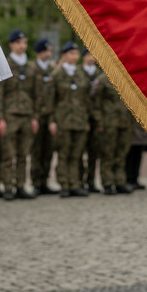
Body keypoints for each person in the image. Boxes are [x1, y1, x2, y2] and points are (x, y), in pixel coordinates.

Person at [0, 29, 38, 200]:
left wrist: (35, 116)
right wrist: (0, 118)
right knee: (8, 154)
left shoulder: (31, 67)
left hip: (27, 115)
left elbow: (36, 94)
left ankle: (20, 185)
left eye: (24, 43)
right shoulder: (5, 65)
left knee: (23, 154)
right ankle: (8, 187)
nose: (22, 46)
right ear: (11, 45)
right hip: (10, 115)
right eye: (18, 43)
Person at [50, 41, 91, 198]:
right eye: (71, 53)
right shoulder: (57, 75)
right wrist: (52, 121)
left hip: (80, 119)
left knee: (77, 154)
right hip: (63, 120)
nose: (75, 56)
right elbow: (51, 101)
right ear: (64, 55)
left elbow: (86, 99)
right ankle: (64, 184)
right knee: (64, 153)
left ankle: (75, 183)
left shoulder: (81, 74)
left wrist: (86, 119)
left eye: (76, 53)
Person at [94, 62, 135, 194]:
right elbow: (96, 104)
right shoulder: (102, 80)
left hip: (125, 122)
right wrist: (99, 122)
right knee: (108, 153)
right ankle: (107, 183)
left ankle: (119, 181)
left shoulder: (127, 79)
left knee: (121, 153)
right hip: (109, 123)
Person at [30, 38, 59, 195]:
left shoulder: (52, 70)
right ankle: (36, 182)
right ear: (38, 52)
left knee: (48, 150)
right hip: (36, 115)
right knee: (36, 149)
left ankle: (44, 181)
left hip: (49, 115)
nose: (48, 54)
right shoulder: (31, 69)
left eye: (49, 51)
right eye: (45, 51)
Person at [81, 49, 103, 192]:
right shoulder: (77, 73)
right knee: (79, 151)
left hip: (96, 118)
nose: (92, 58)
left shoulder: (99, 75)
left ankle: (91, 181)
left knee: (94, 152)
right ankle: (78, 181)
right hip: (80, 118)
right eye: (89, 55)